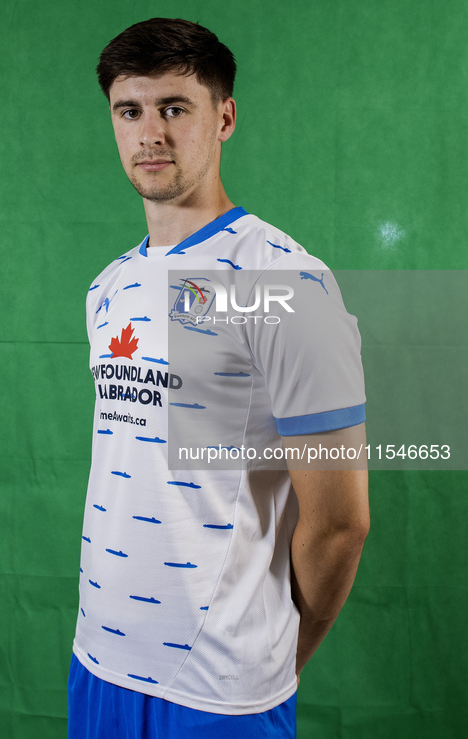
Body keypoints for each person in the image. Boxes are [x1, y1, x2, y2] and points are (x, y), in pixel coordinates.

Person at [68, 17, 369, 738]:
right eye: (129, 111)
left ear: (223, 116)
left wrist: (273, 658)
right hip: (98, 659)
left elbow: (339, 521)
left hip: (220, 693)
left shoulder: (284, 280)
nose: (150, 134)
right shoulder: (108, 285)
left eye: (174, 108)